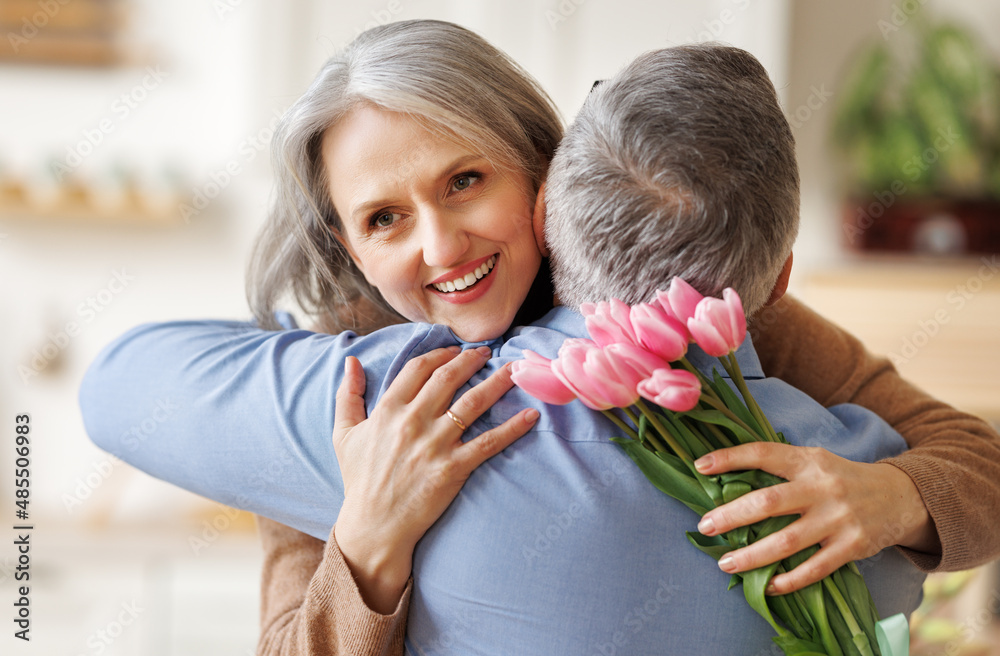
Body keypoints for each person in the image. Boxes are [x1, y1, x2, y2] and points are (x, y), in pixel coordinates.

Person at [77, 27, 1000, 654]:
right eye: (384, 219)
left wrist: (891, 496)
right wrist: (363, 550)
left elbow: (975, 460)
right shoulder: (351, 393)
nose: (441, 248)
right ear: (347, 246)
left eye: (466, 180)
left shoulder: (688, 307)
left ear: (546, 178)